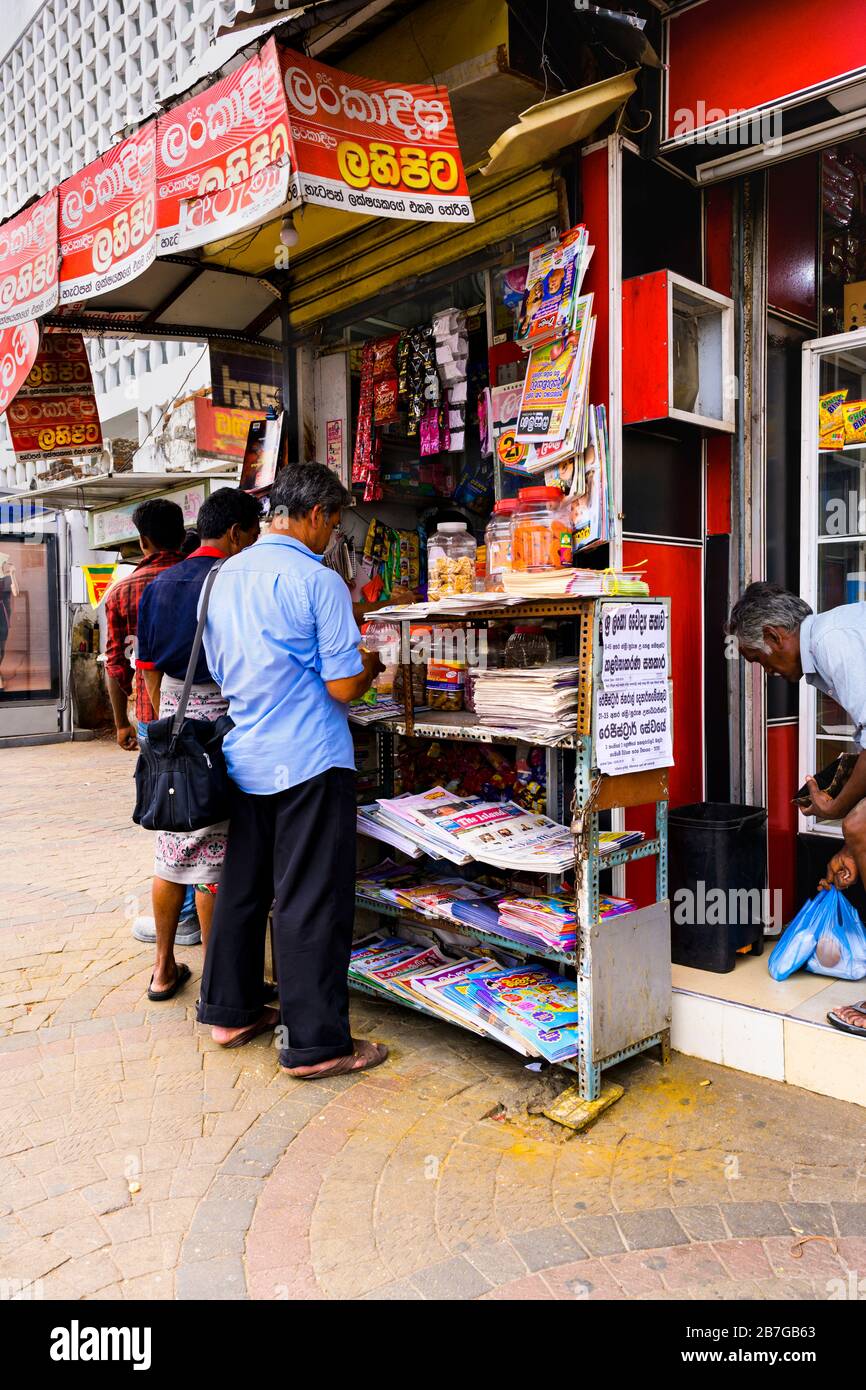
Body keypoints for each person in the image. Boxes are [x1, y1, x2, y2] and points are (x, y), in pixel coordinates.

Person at [197, 462, 389, 1076]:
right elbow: (341, 686)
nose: (333, 534)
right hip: (308, 759)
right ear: (315, 515)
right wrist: (370, 667)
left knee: (244, 890)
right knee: (310, 899)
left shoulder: (222, 576)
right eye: (335, 520)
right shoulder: (319, 582)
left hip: (244, 753)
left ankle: (229, 1012)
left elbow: (222, 672)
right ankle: (315, 1044)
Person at [134, 488, 263, 1001]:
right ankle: (218, 981)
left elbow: (146, 668)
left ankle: (164, 969)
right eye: (253, 533)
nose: (254, 543)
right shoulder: (232, 582)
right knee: (213, 858)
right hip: (222, 720)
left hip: (170, 713)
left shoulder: (159, 583)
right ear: (235, 533)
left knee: (172, 847)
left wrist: (166, 727)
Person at [103, 498, 202, 945]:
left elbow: (115, 663)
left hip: (151, 717)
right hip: (206, 714)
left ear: (143, 540)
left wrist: (123, 721)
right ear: (183, 534)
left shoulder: (124, 589)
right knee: (209, 812)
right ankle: (200, 911)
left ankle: (183, 920)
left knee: (172, 814)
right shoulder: (200, 579)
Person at [726, 581, 866, 889]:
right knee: (857, 827)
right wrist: (853, 848)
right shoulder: (829, 636)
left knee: (856, 823)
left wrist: (836, 807)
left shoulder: (831, 643)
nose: (767, 671)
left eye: (758, 659)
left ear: (774, 636)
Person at [0, 551, 20, 691]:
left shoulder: (7, 579)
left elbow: (16, 593)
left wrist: (13, 574)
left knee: (1, 648)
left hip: (3, 615)